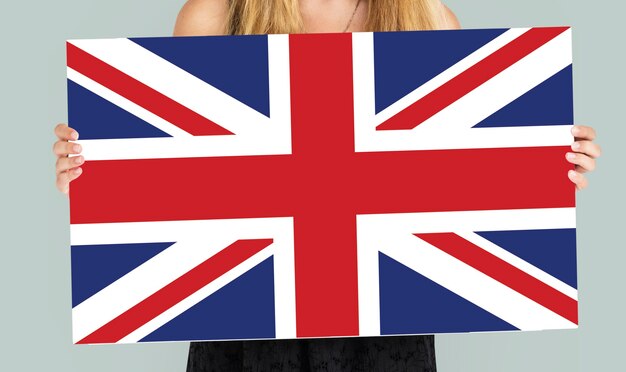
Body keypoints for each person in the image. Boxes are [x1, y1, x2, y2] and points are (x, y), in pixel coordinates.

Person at [52, 0, 602, 370]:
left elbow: (465, 183)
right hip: (240, 323)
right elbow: (174, 177)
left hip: (388, 330)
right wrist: (94, 172)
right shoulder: (214, 14)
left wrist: (546, 169)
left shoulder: (425, 16)